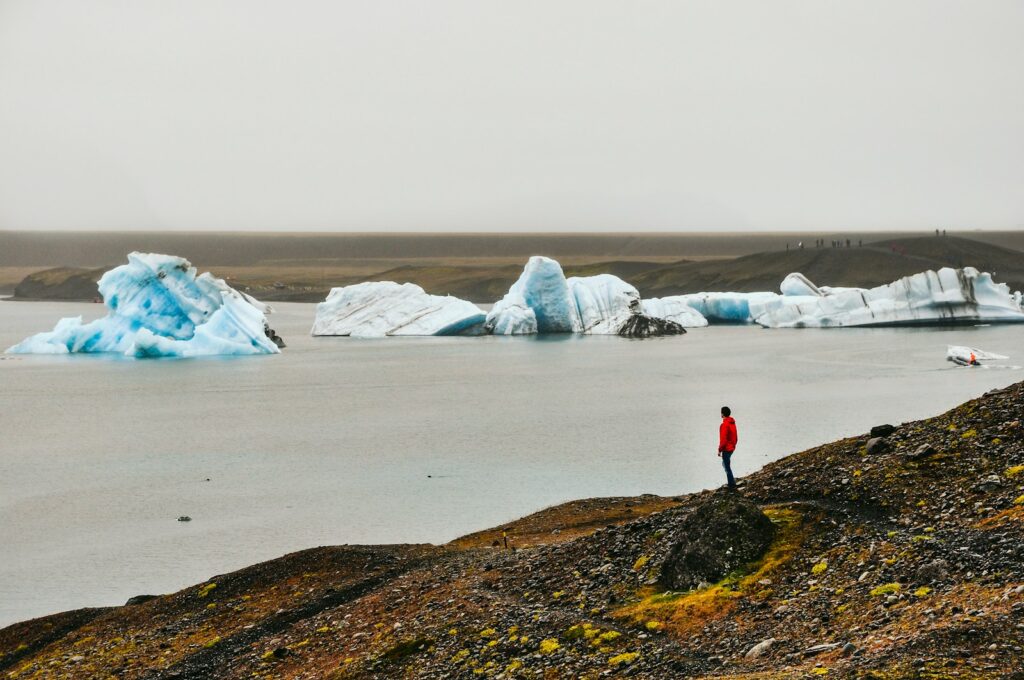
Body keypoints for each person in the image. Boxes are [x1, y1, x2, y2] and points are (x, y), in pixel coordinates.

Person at [718, 406, 738, 490]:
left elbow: (723, 439)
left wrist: (719, 450)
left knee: (726, 466)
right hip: (732, 448)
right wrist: (733, 445)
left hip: (726, 449)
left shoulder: (724, 425)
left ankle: (731, 484)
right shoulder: (732, 423)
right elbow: (736, 436)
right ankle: (731, 482)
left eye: (721, 412)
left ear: (722, 414)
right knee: (726, 464)